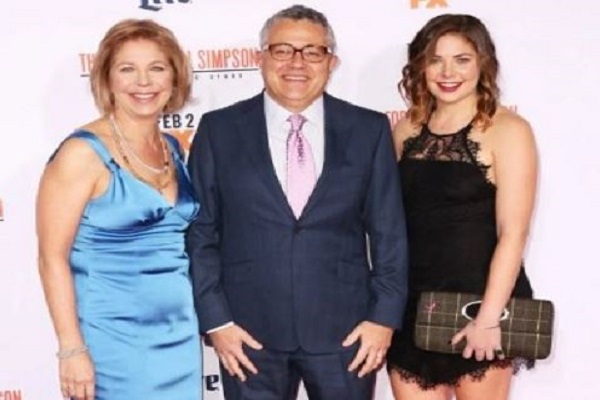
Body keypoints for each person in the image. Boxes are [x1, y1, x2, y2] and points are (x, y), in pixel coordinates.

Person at [186, 4, 408, 400]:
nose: (297, 63)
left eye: (312, 51)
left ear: (331, 61)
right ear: (261, 58)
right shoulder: (218, 130)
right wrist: (217, 321)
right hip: (246, 335)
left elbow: (390, 233)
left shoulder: (369, 130)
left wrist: (383, 319)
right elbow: (200, 232)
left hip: (348, 333)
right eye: (283, 50)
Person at [36, 19, 202, 400]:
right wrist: (71, 349)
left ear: (174, 78)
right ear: (106, 79)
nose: (143, 82)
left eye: (156, 68)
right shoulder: (81, 154)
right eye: (127, 69)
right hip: (111, 338)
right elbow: (51, 258)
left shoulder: (174, 149)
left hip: (177, 335)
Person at [385, 13, 537, 400]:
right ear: (420, 65)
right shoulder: (406, 129)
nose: (447, 71)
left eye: (462, 59)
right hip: (413, 304)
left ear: (482, 62)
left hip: (483, 302)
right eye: (435, 59)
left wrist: (488, 317)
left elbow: (513, 233)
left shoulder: (508, 130)